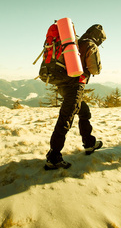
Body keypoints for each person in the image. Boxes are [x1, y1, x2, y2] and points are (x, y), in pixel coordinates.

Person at [45, 24, 106, 170]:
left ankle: (89, 143)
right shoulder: (90, 45)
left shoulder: (75, 42)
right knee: (66, 118)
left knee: (84, 112)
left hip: (63, 85)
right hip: (75, 85)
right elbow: (95, 70)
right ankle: (53, 157)